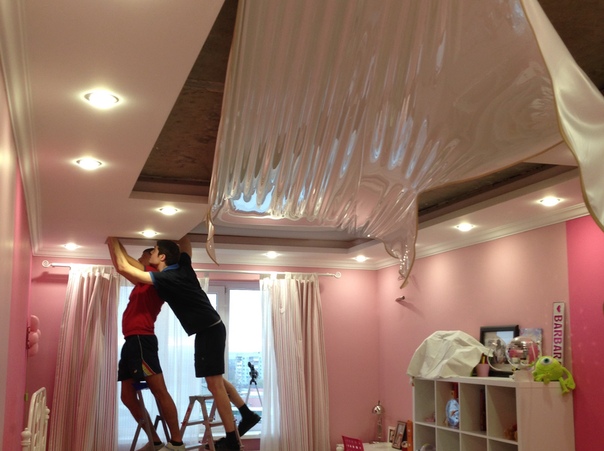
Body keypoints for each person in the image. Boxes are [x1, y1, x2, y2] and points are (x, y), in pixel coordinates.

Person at [108, 236, 260, 451]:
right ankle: (246, 413)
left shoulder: (167, 277)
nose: (149, 255)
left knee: (214, 384)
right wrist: (180, 235)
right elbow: (186, 245)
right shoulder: (183, 266)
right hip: (209, 328)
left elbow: (125, 267)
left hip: (208, 329)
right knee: (215, 379)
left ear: (162, 257)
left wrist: (112, 238)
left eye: (154, 251)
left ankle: (231, 440)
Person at [110, 244, 184, 451]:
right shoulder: (142, 282)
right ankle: (155, 441)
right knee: (127, 396)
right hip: (131, 341)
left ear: (155, 257)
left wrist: (112, 239)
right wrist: (114, 243)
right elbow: (123, 260)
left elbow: (123, 263)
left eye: (144, 257)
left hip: (142, 340)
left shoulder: (154, 276)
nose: (140, 260)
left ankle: (177, 442)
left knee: (159, 391)